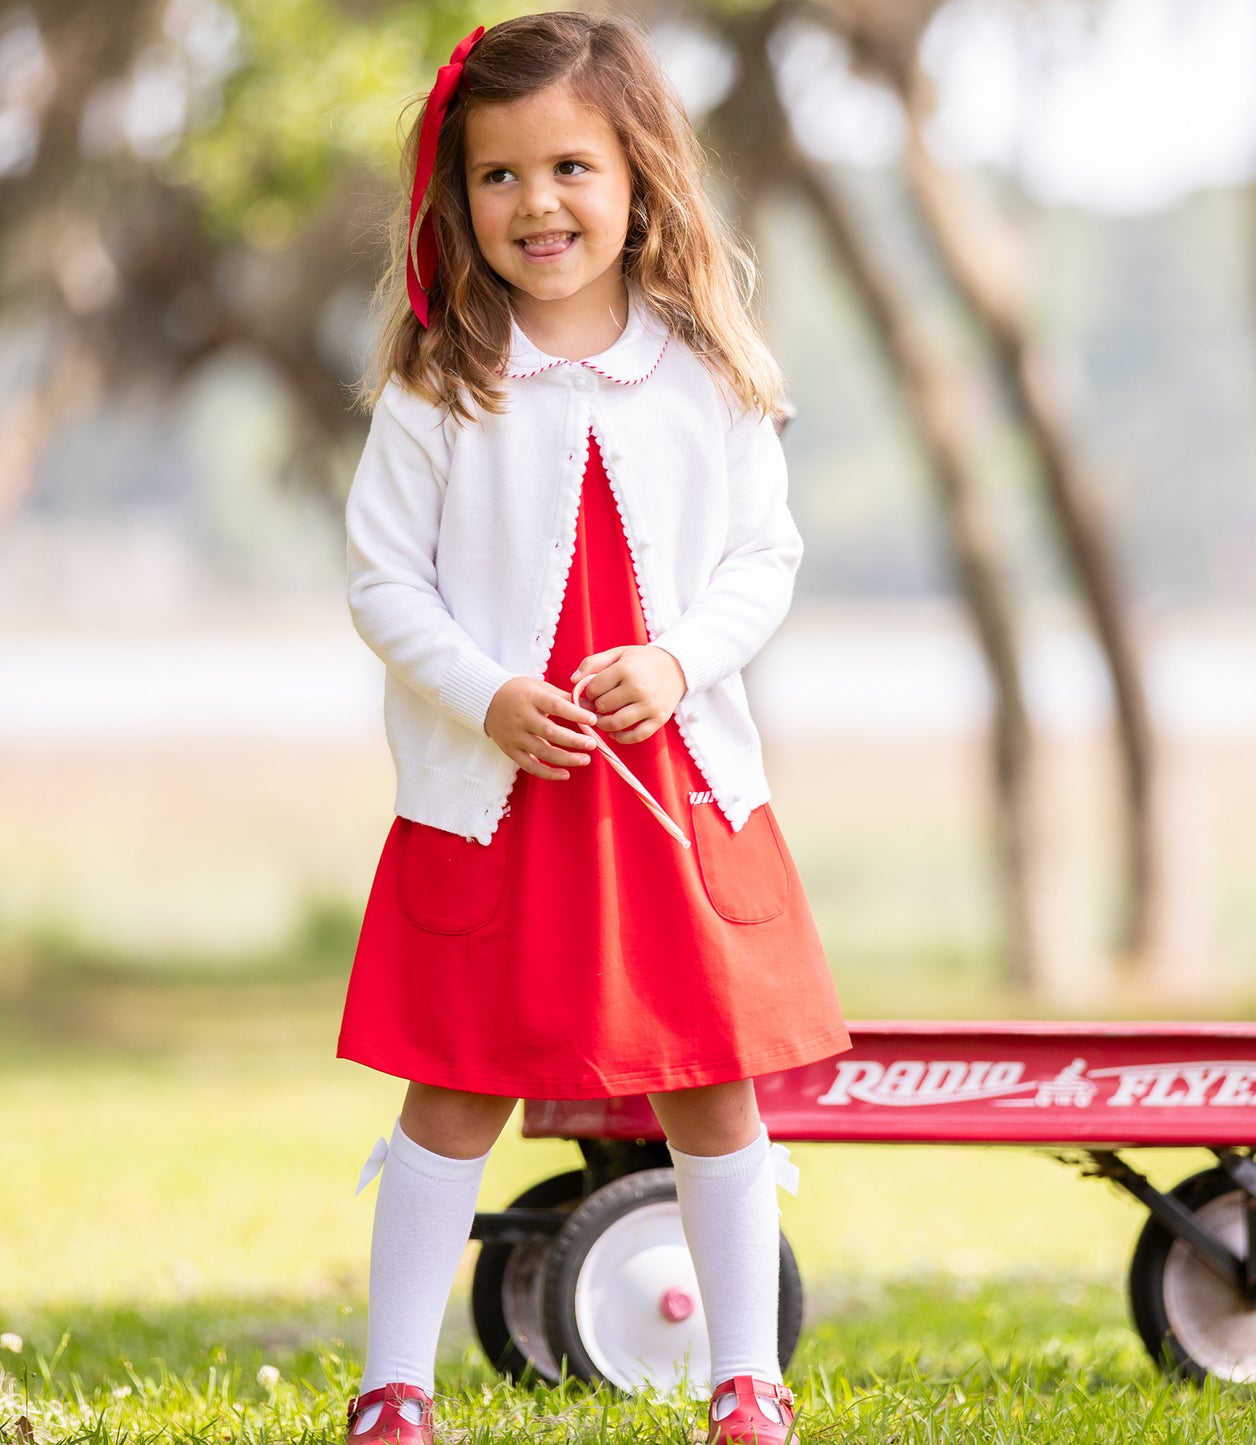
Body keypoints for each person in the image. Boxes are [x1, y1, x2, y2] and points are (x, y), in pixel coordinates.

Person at [336, 11, 850, 1444]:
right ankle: (394, 1383)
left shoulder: (707, 372)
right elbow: (384, 577)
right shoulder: (441, 380)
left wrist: (680, 663)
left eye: (570, 166)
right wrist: (487, 692)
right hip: (496, 794)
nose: (536, 203)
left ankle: (745, 1377)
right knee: (451, 1084)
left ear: (638, 180)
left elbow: (765, 559)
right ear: (458, 200)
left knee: (709, 1081)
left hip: (671, 792)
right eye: (497, 177)